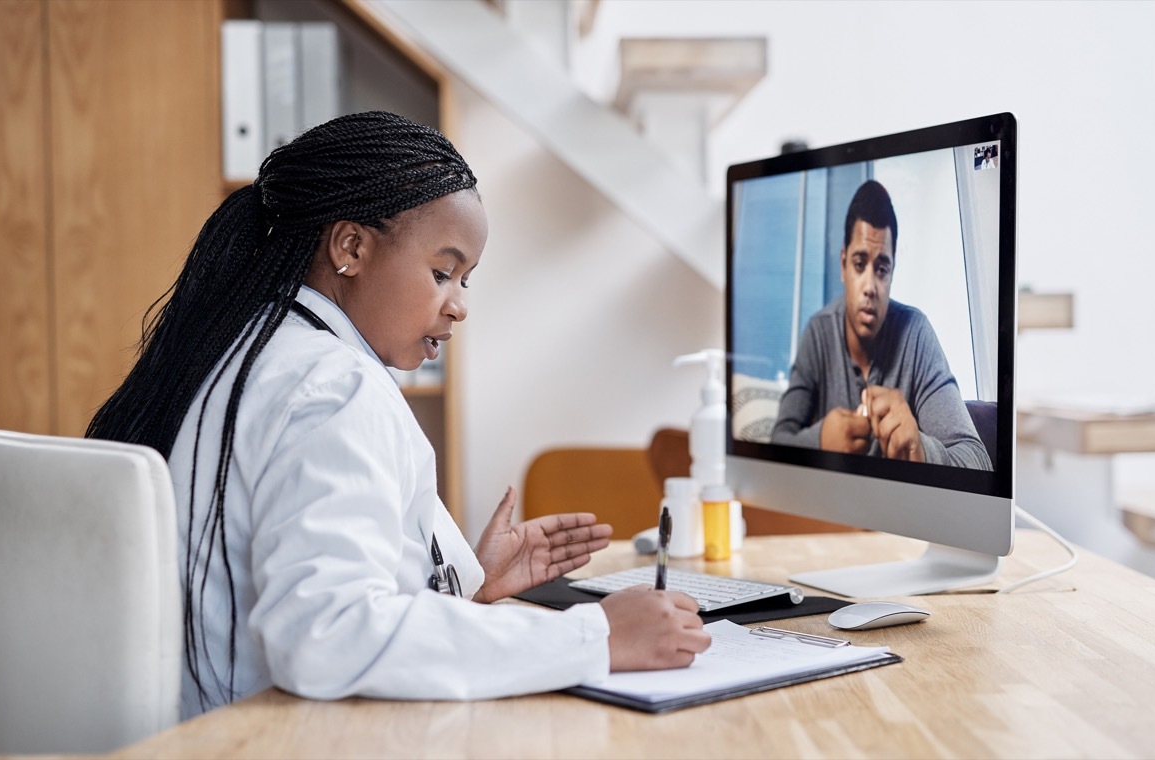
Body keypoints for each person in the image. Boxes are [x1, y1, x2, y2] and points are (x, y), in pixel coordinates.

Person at [86, 111, 709, 719]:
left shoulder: (255, 349)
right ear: (351, 247)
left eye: (466, 280)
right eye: (443, 272)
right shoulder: (333, 387)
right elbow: (326, 635)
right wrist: (595, 635)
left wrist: (465, 578)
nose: (459, 305)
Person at [770, 180, 992, 470]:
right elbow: (776, 444)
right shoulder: (818, 333)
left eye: (882, 269)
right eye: (860, 264)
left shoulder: (916, 334)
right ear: (843, 265)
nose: (870, 287)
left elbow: (979, 460)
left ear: (892, 274)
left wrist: (921, 449)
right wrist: (821, 440)